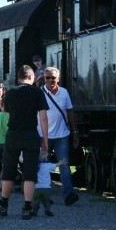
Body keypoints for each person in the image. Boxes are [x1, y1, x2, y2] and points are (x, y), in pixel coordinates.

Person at [0, 64, 49, 220]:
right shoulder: (37, 92)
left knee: (8, 171)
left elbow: (6, 112)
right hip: (31, 134)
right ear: (31, 77)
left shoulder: (11, 93)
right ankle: (27, 207)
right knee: (30, 173)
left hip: (13, 134)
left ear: (19, 78)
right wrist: (45, 139)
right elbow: (43, 118)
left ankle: (3, 205)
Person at [42, 66, 80, 205]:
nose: (50, 80)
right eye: (47, 77)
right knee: (43, 167)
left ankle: (69, 194)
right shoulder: (40, 93)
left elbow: (70, 112)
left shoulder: (64, 92)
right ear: (44, 79)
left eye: (53, 77)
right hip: (44, 136)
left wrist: (75, 132)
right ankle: (44, 195)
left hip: (61, 135)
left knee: (65, 165)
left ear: (58, 78)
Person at [29, 153, 54, 218]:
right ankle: (48, 211)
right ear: (46, 158)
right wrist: (61, 163)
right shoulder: (48, 165)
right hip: (46, 187)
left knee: (35, 200)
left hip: (37, 187)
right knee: (46, 200)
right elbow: (55, 165)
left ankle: (34, 211)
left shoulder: (35, 165)